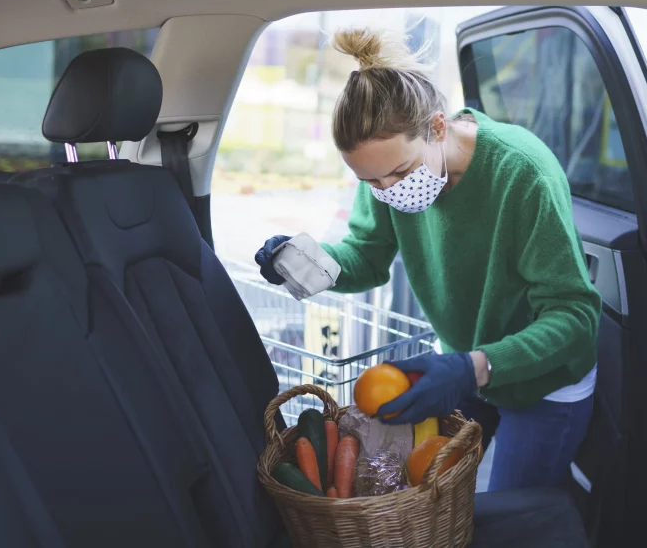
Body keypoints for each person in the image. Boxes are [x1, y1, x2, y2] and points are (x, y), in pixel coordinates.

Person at [255, 27, 600, 491]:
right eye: (371, 183)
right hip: (462, 370)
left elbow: (575, 315)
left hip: (542, 383)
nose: (387, 192)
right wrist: (307, 262)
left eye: (398, 173)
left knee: (510, 519)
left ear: (437, 127)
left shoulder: (523, 174)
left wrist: (471, 367)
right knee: (440, 502)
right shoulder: (383, 170)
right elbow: (367, 257)